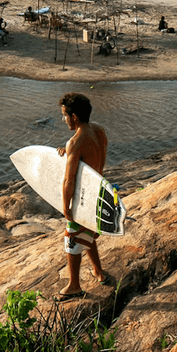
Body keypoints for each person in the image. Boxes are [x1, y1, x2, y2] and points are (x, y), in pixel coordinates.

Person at [55, 92, 110, 300]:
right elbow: (91, 157)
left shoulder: (75, 142)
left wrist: (66, 206)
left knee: (72, 237)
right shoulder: (98, 131)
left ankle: (74, 286)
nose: (64, 119)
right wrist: (68, 152)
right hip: (97, 191)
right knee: (87, 231)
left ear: (74, 116)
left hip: (82, 196)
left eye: (65, 115)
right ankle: (98, 271)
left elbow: (69, 180)